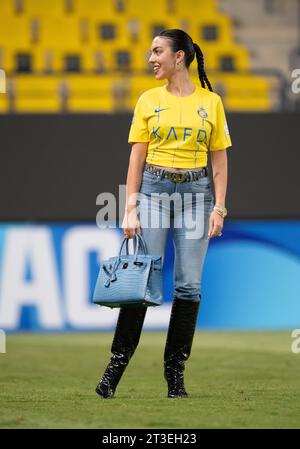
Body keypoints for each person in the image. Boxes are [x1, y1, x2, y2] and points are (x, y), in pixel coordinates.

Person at [95, 29, 232, 399]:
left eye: (157, 51)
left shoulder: (212, 103)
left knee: (188, 286)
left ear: (179, 57)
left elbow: (218, 160)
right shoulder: (147, 100)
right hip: (154, 193)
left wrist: (219, 206)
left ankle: (175, 377)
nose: (150, 58)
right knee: (142, 283)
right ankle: (114, 369)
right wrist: (130, 206)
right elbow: (136, 156)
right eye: (150, 51)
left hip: (198, 197)